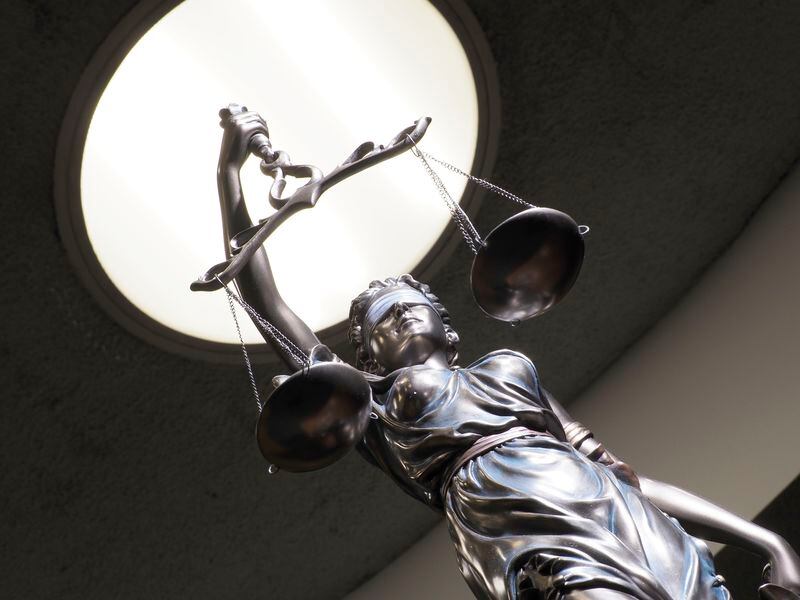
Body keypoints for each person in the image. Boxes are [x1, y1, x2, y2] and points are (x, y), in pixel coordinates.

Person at [212, 107, 800, 599]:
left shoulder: (509, 369)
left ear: (451, 330)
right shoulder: (374, 406)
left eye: (412, 304)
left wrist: (766, 541)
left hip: (616, 515)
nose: (401, 313)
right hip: (520, 534)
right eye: (381, 320)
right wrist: (230, 180)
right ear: (367, 360)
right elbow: (269, 305)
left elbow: (625, 479)